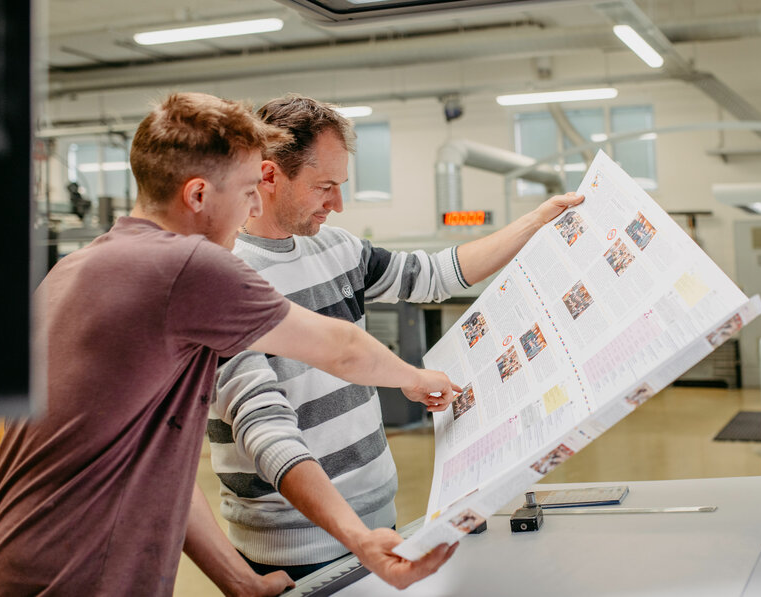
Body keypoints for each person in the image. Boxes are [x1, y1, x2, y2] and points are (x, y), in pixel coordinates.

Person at [0, 92, 459, 597]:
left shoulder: (72, 272)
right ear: (198, 195)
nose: (252, 208)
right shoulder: (188, 268)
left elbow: (159, 468)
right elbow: (342, 349)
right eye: (248, 191)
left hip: (1, 568)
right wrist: (418, 380)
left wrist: (240, 582)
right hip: (73, 579)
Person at [196, 94, 584, 587]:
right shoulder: (225, 280)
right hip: (293, 547)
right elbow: (263, 426)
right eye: (325, 187)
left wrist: (536, 222)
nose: (337, 204)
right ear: (269, 177)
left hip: (379, 521)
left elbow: (437, 275)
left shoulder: (338, 249)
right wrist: (353, 532)